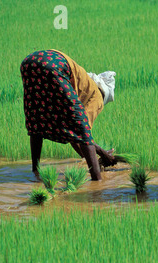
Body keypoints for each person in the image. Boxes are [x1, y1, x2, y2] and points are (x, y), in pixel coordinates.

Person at [20, 49, 117, 180]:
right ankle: (97, 182)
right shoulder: (97, 96)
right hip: (53, 65)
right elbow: (82, 133)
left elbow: (74, 136)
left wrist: (89, 156)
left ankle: (35, 172)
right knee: (82, 127)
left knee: (38, 118)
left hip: (29, 63)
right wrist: (104, 155)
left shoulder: (82, 84)